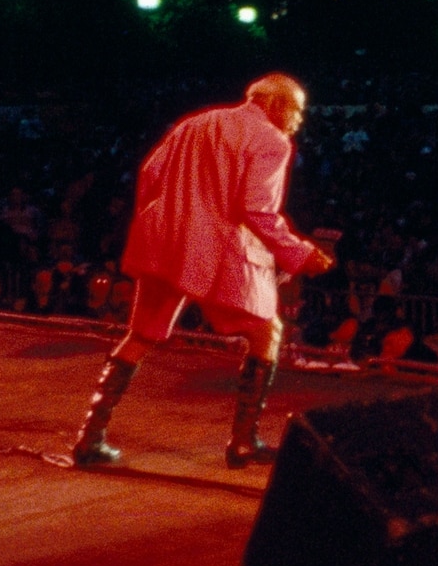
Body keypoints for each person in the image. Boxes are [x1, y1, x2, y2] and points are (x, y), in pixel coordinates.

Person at [68, 74, 332, 470]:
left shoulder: (197, 122)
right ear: (276, 104)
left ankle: (89, 439)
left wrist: (156, 222)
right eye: (296, 109)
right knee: (267, 331)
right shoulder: (272, 140)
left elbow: (150, 174)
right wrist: (300, 252)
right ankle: (243, 442)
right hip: (213, 249)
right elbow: (256, 209)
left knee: (141, 335)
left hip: (163, 242)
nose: (298, 118)